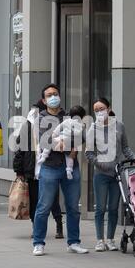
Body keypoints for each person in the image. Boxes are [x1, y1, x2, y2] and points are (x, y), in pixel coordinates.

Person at [32, 84, 88, 256]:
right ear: (44, 100)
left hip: (70, 167)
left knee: (73, 207)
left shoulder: (69, 115)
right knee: (43, 207)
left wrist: (73, 145)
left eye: (55, 94)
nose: (53, 97)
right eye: (49, 95)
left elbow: (82, 135)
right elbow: (46, 142)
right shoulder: (40, 118)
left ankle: (74, 242)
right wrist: (69, 146)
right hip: (49, 167)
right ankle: (38, 243)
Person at [85, 98, 135, 252]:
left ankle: (110, 239)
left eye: (101, 108)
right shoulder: (93, 129)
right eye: (96, 110)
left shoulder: (119, 126)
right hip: (101, 174)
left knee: (114, 208)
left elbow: (126, 148)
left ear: (108, 108)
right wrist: (99, 162)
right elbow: (89, 153)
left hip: (117, 174)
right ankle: (100, 240)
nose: (99, 112)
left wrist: (134, 157)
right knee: (100, 208)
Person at [13, 99, 64, 239]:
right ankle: (36, 227)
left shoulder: (51, 125)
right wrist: (19, 170)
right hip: (32, 169)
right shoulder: (27, 126)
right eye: (33, 110)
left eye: (37, 110)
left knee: (52, 199)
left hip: (48, 167)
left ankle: (59, 224)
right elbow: (19, 149)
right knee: (35, 200)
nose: (34, 113)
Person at [37, 105, 86, 180]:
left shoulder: (67, 120)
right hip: (52, 163)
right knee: (70, 158)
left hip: (61, 138)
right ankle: (69, 170)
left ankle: (43, 156)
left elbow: (59, 128)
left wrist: (54, 135)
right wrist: (68, 150)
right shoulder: (81, 125)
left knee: (49, 145)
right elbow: (44, 140)